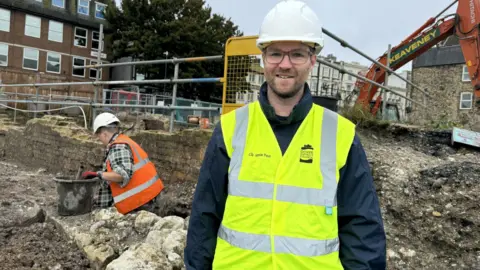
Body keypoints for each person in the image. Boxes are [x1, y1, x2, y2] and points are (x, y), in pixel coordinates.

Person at [184, 0, 386, 269]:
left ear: (312, 59)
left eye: (297, 54)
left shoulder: (341, 136)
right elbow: (204, 218)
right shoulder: (231, 129)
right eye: (276, 53)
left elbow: (362, 230)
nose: (285, 64)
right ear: (263, 58)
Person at [81, 112, 164, 215]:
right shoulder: (124, 140)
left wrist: (98, 174)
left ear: (104, 134)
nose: (100, 141)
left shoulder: (118, 146)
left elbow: (122, 175)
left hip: (141, 201)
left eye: (99, 137)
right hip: (146, 196)